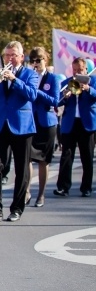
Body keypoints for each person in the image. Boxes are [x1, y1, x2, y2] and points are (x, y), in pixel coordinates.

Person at [0, 41, 39, 222]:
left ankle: (17, 208)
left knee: (21, 169)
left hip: (22, 126)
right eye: (7, 55)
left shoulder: (29, 74)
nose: (9, 58)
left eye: (13, 55)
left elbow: (32, 95)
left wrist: (14, 79)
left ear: (21, 56)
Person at [53, 57, 96, 198]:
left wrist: (88, 89)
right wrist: (65, 96)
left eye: (80, 70)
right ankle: (63, 187)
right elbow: (57, 102)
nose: (77, 72)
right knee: (66, 155)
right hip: (70, 123)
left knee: (87, 156)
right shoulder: (67, 82)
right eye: (75, 70)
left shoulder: (93, 81)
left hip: (87, 123)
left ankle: (86, 187)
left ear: (86, 70)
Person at [26, 47, 60, 207]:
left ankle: (41, 194)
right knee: (27, 159)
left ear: (45, 60)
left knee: (43, 161)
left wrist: (37, 92)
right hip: (30, 121)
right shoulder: (28, 76)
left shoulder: (52, 78)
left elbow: (55, 101)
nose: (35, 63)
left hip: (47, 123)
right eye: (32, 60)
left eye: (38, 60)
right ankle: (26, 191)